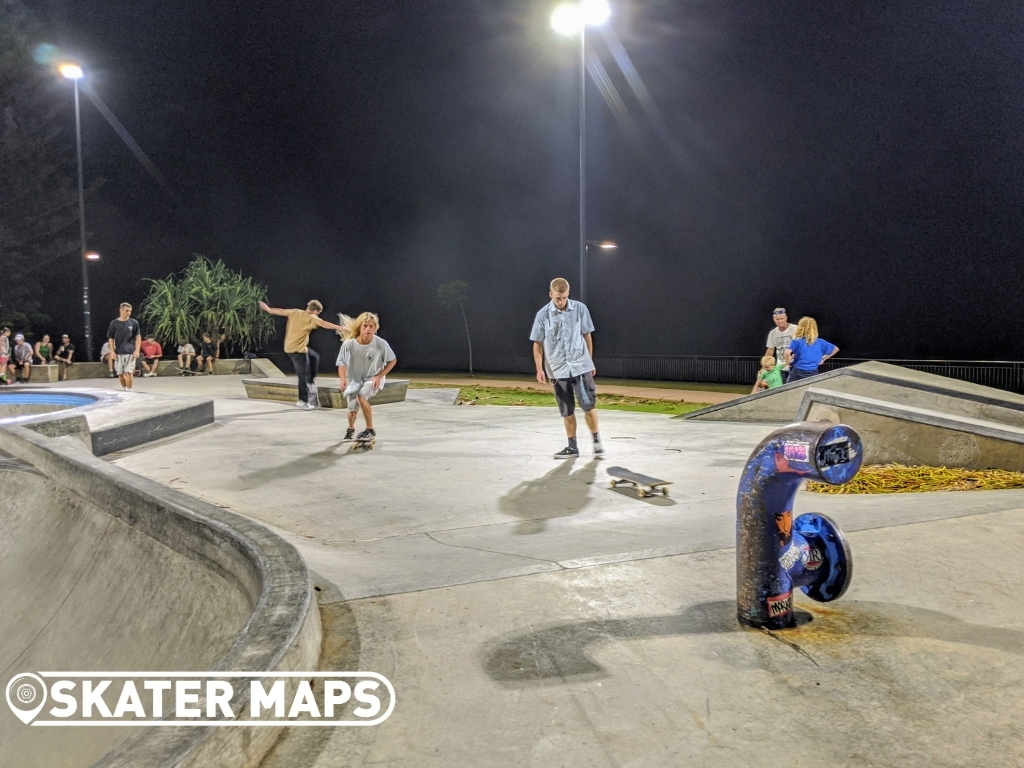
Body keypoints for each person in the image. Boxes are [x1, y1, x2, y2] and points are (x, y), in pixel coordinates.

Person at [530, 277, 604, 459]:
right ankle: (572, 447)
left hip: (580, 367)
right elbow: (537, 344)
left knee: (589, 405)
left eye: (563, 298)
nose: (561, 302)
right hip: (557, 369)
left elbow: (587, 336)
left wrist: (589, 360)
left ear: (568, 294)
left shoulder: (580, 309)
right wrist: (539, 369)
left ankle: (597, 442)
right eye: (557, 298)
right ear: (551, 295)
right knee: (567, 410)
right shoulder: (542, 315)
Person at [258, 299, 345, 409]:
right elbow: (323, 324)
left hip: (291, 347)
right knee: (302, 375)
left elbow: (280, 311)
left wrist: (268, 309)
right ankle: (302, 400)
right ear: (316, 311)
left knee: (314, 357)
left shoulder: (295, 312)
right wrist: (339, 327)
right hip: (298, 350)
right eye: (318, 313)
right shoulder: (312, 318)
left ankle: (310, 383)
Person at [336, 312, 397, 441]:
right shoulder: (349, 345)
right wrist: (343, 379)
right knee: (352, 412)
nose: (368, 329)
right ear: (360, 327)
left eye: (371, 326)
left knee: (362, 396)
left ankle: (370, 430)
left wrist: (379, 376)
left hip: (372, 378)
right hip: (354, 381)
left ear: (375, 328)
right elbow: (341, 363)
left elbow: (392, 360)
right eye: (365, 326)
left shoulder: (381, 344)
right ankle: (351, 429)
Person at [785, 316, 839, 384]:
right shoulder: (820, 342)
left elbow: (787, 352)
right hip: (813, 372)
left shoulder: (797, 341)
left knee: (789, 391)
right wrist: (823, 359)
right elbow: (836, 349)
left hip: (797, 372)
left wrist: (788, 362)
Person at [106, 302, 142, 392]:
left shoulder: (134, 323)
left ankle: (129, 391)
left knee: (129, 372)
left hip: (130, 352)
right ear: (121, 310)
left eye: (130, 311)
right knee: (121, 374)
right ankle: (124, 389)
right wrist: (112, 351)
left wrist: (137, 350)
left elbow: (138, 337)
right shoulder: (113, 323)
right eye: (127, 311)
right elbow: (111, 338)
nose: (128, 313)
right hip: (118, 352)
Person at [765, 308, 798, 375]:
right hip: (780, 368)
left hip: (795, 366)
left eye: (782, 318)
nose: (780, 321)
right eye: (777, 319)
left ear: (786, 318)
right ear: (774, 320)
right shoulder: (773, 333)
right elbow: (770, 351)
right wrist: (764, 366)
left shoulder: (795, 329)